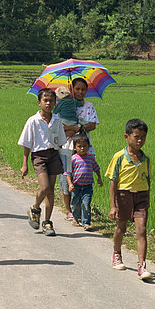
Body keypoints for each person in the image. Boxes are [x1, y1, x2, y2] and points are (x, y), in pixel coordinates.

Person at [105, 118, 152, 280]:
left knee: (142, 230)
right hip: (124, 196)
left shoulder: (146, 158)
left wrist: (148, 198)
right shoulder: (119, 157)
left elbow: (148, 180)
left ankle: (142, 265)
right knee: (121, 227)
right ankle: (116, 253)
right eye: (136, 137)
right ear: (127, 137)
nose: (140, 140)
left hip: (141, 197)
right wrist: (113, 206)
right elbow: (113, 182)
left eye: (143, 137)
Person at [18, 88, 65, 237]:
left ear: (55, 102)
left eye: (51, 100)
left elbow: (61, 142)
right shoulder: (33, 121)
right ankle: (35, 207)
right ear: (39, 102)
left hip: (53, 154)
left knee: (51, 190)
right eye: (45, 100)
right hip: (38, 156)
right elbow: (27, 143)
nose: (48, 103)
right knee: (44, 187)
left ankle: (47, 222)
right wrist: (25, 163)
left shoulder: (57, 120)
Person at [58, 78, 100, 221]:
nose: (80, 92)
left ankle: (82, 212)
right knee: (66, 177)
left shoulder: (89, 106)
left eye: (83, 89)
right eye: (77, 89)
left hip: (84, 148)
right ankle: (68, 210)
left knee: (83, 178)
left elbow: (92, 125)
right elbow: (58, 125)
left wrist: (78, 128)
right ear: (72, 89)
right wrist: (72, 128)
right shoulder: (64, 103)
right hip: (66, 146)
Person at [64, 132, 103, 231]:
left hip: (87, 186)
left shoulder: (90, 158)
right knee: (75, 203)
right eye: (79, 146)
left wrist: (99, 178)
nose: (82, 148)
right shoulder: (73, 159)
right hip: (76, 186)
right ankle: (76, 218)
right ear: (74, 148)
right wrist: (70, 184)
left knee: (86, 204)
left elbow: (96, 168)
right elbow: (68, 173)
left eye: (85, 146)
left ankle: (86, 223)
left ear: (89, 146)